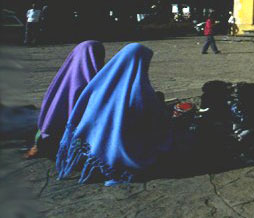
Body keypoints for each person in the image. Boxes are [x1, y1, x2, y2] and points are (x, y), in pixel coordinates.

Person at [55, 43, 172, 185]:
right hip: (127, 156)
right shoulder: (141, 91)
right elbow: (154, 124)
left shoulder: (98, 86)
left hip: (94, 150)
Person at [26, 41, 106, 159]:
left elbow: (48, 116)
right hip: (80, 147)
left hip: (50, 142)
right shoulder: (98, 84)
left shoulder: (61, 81)